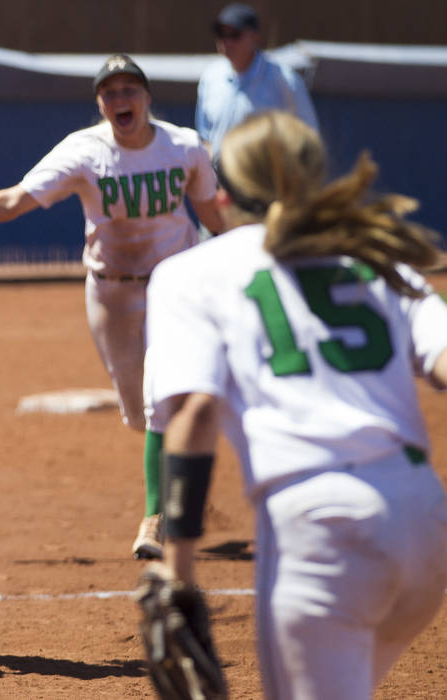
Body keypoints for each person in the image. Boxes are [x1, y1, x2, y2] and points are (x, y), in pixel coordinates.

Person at [146, 110, 447, 698]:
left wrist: (175, 567)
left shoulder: (191, 273)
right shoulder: (377, 252)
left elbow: (196, 415)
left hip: (321, 527)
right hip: (423, 519)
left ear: (224, 193)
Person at [0, 54, 223, 560]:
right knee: (137, 413)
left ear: (148, 97)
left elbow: (214, 216)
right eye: (110, 93)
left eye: (130, 89)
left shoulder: (184, 148)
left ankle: (156, 518)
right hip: (111, 294)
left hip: (173, 288)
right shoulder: (84, 152)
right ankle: (172, 462)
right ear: (99, 104)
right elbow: (13, 201)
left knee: (160, 403)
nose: (120, 99)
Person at [196, 3, 319, 157]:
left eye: (234, 34)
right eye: (221, 34)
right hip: (219, 176)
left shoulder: (285, 80)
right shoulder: (210, 77)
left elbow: (309, 135)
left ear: (254, 36)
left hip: (266, 177)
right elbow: (205, 136)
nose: (226, 42)